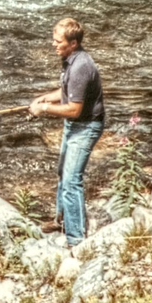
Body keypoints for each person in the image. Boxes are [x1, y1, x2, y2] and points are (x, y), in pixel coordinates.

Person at [28, 17, 105, 247]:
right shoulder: (70, 59)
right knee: (63, 174)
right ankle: (62, 221)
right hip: (75, 125)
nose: (54, 44)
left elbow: (74, 109)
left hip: (86, 126)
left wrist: (43, 109)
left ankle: (76, 239)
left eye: (59, 41)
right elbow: (66, 91)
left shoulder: (81, 66)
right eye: (54, 40)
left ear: (73, 44)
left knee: (72, 181)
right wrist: (44, 97)